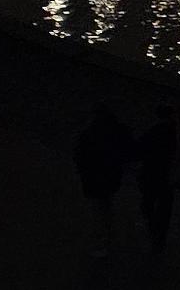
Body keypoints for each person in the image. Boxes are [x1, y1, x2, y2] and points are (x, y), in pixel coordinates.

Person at [71, 104, 133, 256]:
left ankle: (102, 242)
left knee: (99, 209)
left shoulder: (90, 132)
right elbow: (129, 150)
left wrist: (82, 170)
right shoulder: (119, 130)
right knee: (106, 206)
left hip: (94, 175)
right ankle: (108, 238)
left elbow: (80, 153)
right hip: (112, 174)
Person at [135, 104, 180, 252]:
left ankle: (154, 231)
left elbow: (139, 150)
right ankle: (159, 237)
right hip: (166, 175)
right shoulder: (175, 133)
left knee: (148, 204)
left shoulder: (152, 132)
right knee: (164, 207)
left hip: (151, 173)